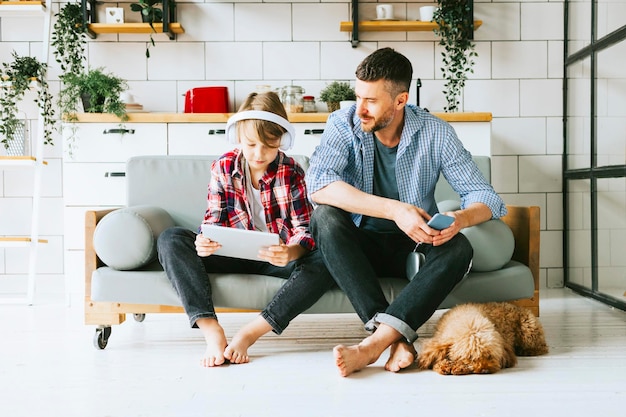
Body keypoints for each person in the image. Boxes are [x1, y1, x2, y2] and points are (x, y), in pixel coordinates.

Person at [306, 47, 507, 377]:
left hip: (413, 246)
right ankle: (391, 339)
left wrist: (460, 218)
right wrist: (394, 209)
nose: (360, 109)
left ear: (400, 101)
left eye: (371, 100)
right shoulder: (343, 125)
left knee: (460, 246)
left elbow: (486, 196)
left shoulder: (436, 132)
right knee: (324, 218)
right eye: (358, 96)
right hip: (358, 248)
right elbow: (319, 184)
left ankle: (374, 344)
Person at [157, 91, 335, 367]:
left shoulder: (293, 171)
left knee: (327, 258)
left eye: (269, 145)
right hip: (229, 254)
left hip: (274, 259)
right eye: (251, 144)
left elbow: (305, 229)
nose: (259, 154)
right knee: (171, 238)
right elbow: (213, 219)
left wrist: (291, 252)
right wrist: (205, 241)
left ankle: (250, 333)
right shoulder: (224, 165)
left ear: (282, 140)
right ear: (238, 138)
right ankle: (210, 329)